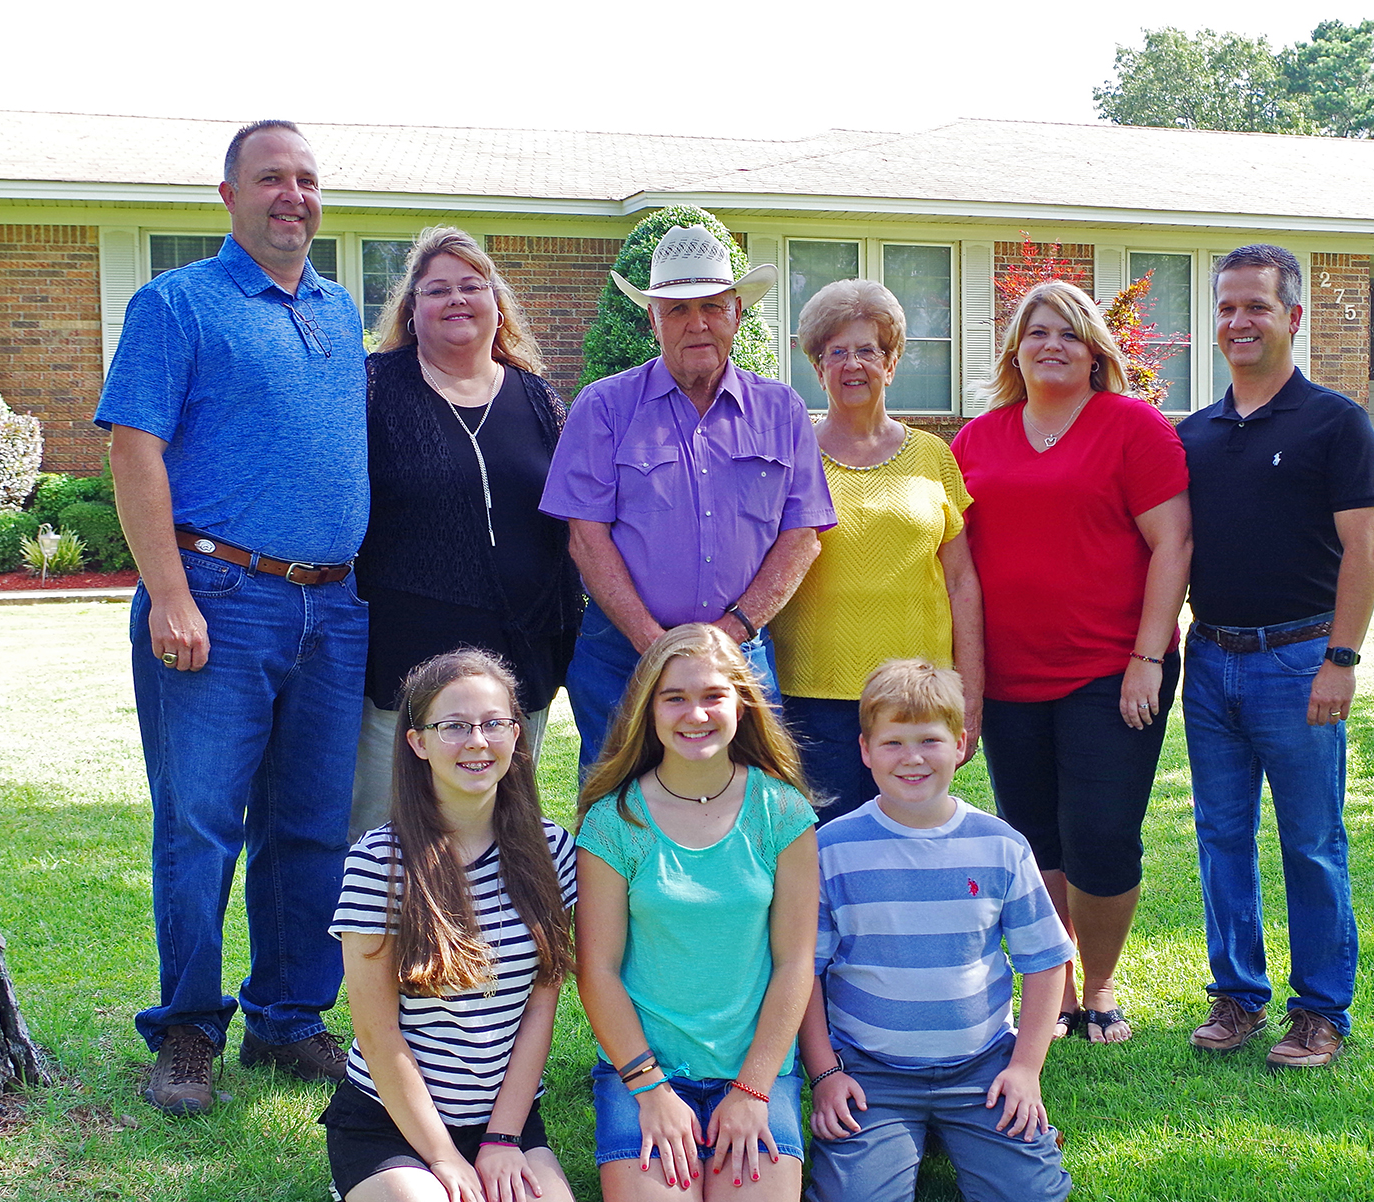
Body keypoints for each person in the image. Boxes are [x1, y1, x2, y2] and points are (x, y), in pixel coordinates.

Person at [97, 119, 368, 1114]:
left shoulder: (341, 313)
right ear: (228, 196)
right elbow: (134, 450)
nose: (291, 194)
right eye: (269, 178)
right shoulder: (176, 305)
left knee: (307, 826)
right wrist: (168, 591)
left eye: (305, 178)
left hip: (335, 606)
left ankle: (289, 1019)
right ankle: (185, 1030)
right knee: (201, 821)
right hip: (217, 596)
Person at [951, 281, 1191, 1045]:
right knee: (1034, 837)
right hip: (1012, 674)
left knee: (1102, 832)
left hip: (1112, 671)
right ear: (1015, 350)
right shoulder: (977, 441)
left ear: (1096, 350)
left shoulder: (1133, 427)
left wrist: (1148, 657)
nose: (1050, 343)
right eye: (1035, 331)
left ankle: (1103, 981)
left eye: (1067, 332)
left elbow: (1173, 544)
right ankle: (1052, 984)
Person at [324, 650, 585, 1202]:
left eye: (494, 723)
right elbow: (380, 1038)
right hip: (397, 1123)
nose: (477, 741)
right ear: (416, 741)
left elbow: (542, 1003)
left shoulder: (552, 851)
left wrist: (501, 1141)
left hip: (500, 1115)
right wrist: (443, 1159)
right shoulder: (379, 860)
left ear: (516, 735)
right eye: (454, 726)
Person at [1177, 245, 1374, 1071]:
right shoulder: (1195, 433)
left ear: (1292, 317)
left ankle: (1320, 1012)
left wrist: (1342, 658)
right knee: (1220, 835)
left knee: (1310, 840)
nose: (1239, 321)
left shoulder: (1335, 422)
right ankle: (1237, 997)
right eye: (1227, 307)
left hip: (1298, 661)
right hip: (1212, 661)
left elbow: (1364, 546)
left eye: (1256, 306)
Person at [539, 225, 835, 773]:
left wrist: (732, 633)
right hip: (621, 657)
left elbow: (802, 538)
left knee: (748, 812)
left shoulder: (782, 411)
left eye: (712, 307)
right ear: (652, 320)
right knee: (615, 819)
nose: (696, 323)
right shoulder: (603, 407)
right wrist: (654, 644)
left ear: (738, 314)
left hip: (739, 656)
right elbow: (585, 538)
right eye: (676, 309)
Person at [572, 623, 818, 1202]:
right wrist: (650, 1090)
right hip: (648, 1068)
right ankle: (666, 1138)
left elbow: (796, 962)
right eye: (674, 697)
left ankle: (731, 1142)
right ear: (648, 710)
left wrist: (754, 1087)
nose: (696, 713)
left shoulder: (783, 811)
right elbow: (595, 970)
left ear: (743, 704)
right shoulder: (613, 819)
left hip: (751, 1067)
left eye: (713, 695)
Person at [799, 660, 1073, 1202]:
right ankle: (905, 1137)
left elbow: (1046, 962)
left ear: (962, 744)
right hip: (872, 1069)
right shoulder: (833, 848)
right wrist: (825, 1072)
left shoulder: (1000, 846)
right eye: (893, 742)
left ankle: (963, 1133)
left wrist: (1024, 1070)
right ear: (865, 751)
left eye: (930, 740)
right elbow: (805, 972)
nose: (913, 757)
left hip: (981, 1068)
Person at [348, 227, 580, 843]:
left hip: (517, 659)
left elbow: (572, 526)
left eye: (472, 286)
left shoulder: (540, 401)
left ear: (496, 303)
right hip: (402, 660)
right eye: (436, 289)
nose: (457, 299)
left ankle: (488, 943)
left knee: (500, 832)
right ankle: (383, 941)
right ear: (411, 309)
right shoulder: (370, 389)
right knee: (386, 830)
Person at [769, 280, 984, 823]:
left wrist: (971, 694)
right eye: (835, 352)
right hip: (812, 695)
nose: (852, 365)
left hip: (918, 696)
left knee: (912, 839)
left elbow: (961, 582)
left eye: (867, 350)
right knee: (824, 852)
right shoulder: (789, 457)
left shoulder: (933, 455)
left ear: (891, 362)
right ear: (817, 368)